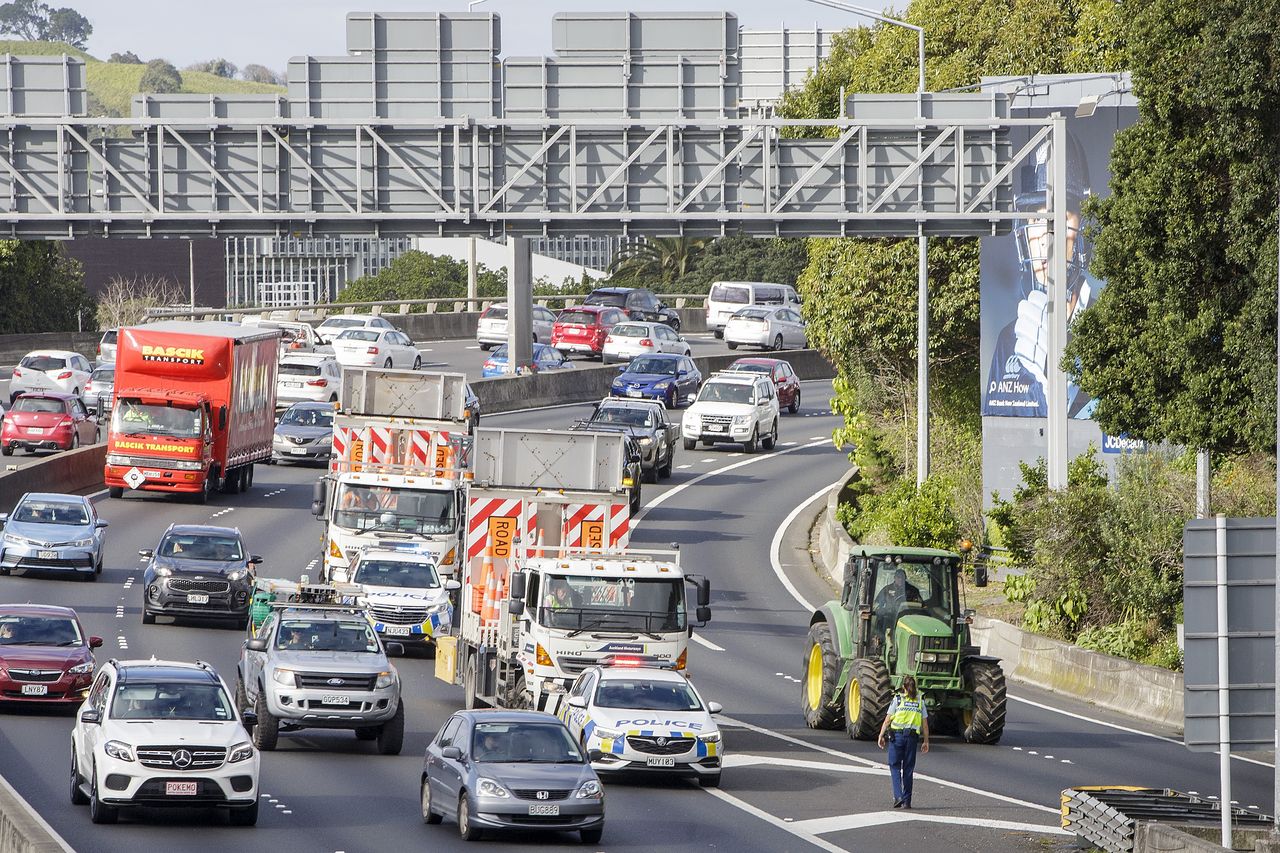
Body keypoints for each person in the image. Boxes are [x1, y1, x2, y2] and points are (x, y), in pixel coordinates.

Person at [877, 675, 930, 809]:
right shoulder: (920, 701)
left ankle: (898, 796)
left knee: (895, 766)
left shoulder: (898, 699)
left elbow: (887, 720)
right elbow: (925, 725)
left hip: (897, 737)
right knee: (908, 769)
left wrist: (881, 735)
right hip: (912, 738)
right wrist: (926, 741)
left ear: (903, 687)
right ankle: (907, 802)